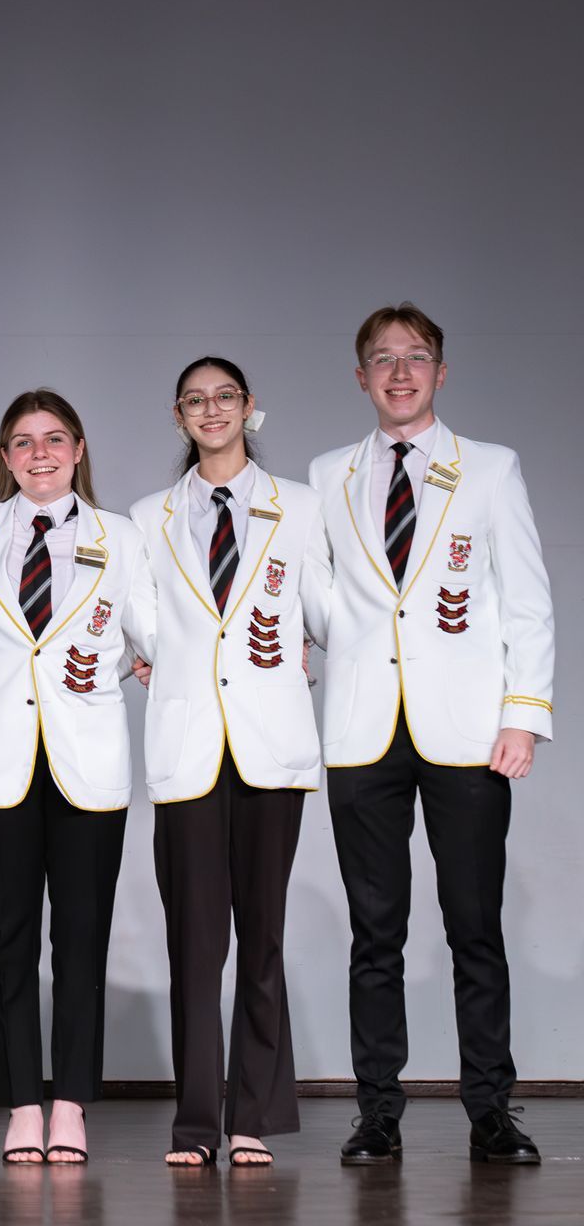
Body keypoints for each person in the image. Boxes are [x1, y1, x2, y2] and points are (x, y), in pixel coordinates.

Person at [311, 303, 554, 1166]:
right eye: (383, 359)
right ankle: (378, 1110)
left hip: (466, 730)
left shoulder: (489, 469)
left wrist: (523, 715)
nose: (400, 372)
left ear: (441, 373)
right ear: (362, 377)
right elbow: (320, 598)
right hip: (363, 731)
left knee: (473, 925)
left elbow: (526, 599)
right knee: (376, 931)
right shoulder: (329, 473)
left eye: (416, 358)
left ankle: (491, 1107)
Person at [128, 359, 329, 1167]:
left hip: (269, 746)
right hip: (187, 749)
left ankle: (253, 1116)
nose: (211, 411)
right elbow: (135, 619)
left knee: (263, 939)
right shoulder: (149, 516)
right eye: (195, 401)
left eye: (225, 398)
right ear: (178, 416)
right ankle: (192, 1124)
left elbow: (321, 605)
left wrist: (317, 643)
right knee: (195, 945)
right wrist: (139, 658)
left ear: (251, 408)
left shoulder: (300, 509)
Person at [0, 389, 152, 1166]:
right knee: (8, 940)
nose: (40, 453)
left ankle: (71, 1102)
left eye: (54, 439)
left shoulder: (122, 537)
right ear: (6, 457)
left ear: (79, 447)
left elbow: (158, 626)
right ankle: (22, 1104)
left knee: (81, 941)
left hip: (86, 764)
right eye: (23, 442)